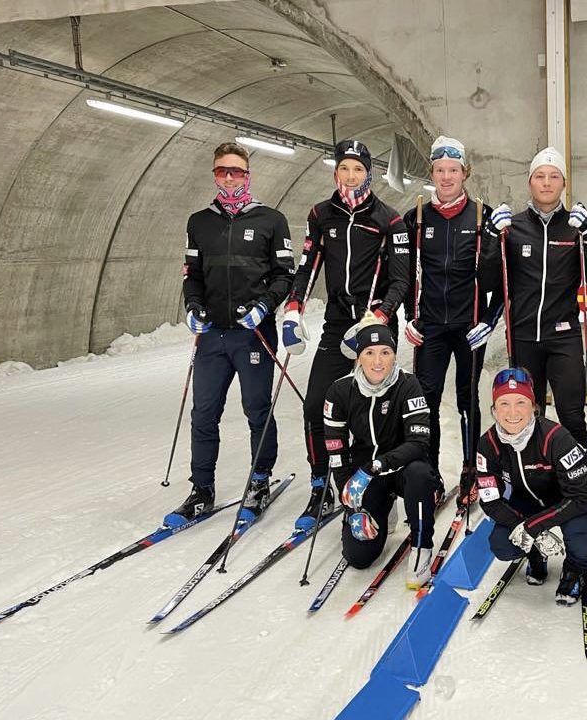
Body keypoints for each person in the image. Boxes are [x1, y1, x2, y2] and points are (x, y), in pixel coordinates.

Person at [281, 139, 410, 529]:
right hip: (339, 323)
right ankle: (321, 483)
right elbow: (308, 265)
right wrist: (293, 308)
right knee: (316, 406)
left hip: (375, 328)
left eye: (357, 169)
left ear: (368, 172)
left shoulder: (389, 219)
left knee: (380, 411)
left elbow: (401, 280)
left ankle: (385, 481)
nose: (350, 176)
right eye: (344, 168)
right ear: (335, 172)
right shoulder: (322, 214)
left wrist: (378, 316)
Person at [168, 141, 294, 525]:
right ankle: (201, 488)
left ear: (247, 175)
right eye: (221, 171)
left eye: (235, 171)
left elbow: (285, 275)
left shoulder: (271, 220)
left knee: (257, 410)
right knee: (204, 413)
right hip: (212, 336)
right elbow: (192, 276)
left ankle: (259, 480)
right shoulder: (199, 221)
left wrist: (264, 306)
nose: (228, 177)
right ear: (214, 174)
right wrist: (193, 307)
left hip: (251, 334)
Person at [488, 147, 587, 453]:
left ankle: (580, 479)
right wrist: (491, 240)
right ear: (530, 182)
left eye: (554, 176)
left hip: (564, 335)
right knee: (529, 414)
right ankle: (537, 475)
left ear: (563, 184)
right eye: (540, 176)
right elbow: (487, 280)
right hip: (524, 334)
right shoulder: (513, 228)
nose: (546, 183)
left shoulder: (574, 227)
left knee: (571, 414)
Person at [401, 136, 499, 496]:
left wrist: (488, 320)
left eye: (453, 170)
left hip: (468, 324)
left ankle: (471, 467)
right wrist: (408, 317)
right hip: (431, 327)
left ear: (465, 173)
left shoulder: (481, 215)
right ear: (432, 172)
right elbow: (405, 272)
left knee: (466, 396)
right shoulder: (416, 217)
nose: (446, 177)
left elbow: (503, 277)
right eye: (440, 170)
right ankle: (430, 471)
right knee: (425, 399)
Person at [323, 322, 443, 588]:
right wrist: (351, 505)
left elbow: (419, 442)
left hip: (401, 469)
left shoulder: (408, 384)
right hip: (367, 476)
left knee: (420, 473)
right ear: (358, 357)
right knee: (359, 557)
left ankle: (422, 546)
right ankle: (381, 509)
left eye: (385, 352)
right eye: (369, 353)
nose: (378, 361)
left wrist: (376, 466)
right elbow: (336, 452)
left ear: (394, 354)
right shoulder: (340, 391)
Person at [475, 367, 587, 606]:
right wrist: (523, 527)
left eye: (521, 402)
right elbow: (489, 499)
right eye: (504, 404)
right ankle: (534, 552)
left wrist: (534, 527)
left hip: (570, 503)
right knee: (501, 545)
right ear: (493, 410)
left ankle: (574, 569)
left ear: (534, 406)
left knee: (584, 547)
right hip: (527, 505)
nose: (512, 412)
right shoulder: (487, 444)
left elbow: (581, 495)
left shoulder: (556, 437)